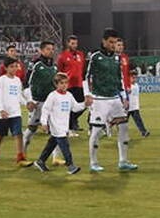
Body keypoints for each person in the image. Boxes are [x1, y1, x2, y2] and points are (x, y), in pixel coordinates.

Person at [85, 29, 137, 172]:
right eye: (111, 42)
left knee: (124, 128)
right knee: (96, 131)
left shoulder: (117, 58)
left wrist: (124, 98)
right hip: (99, 99)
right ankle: (93, 163)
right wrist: (87, 94)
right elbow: (86, 76)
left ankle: (123, 161)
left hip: (115, 98)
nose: (113, 45)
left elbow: (119, 78)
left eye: (115, 42)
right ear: (104, 41)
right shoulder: (94, 56)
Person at [34, 73, 84, 175]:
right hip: (56, 125)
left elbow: (75, 108)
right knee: (64, 145)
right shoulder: (53, 96)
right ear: (56, 84)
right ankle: (70, 166)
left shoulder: (69, 95)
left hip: (64, 125)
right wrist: (44, 122)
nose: (64, 85)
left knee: (51, 144)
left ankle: (40, 161)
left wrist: (85, 104)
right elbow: (46, 110)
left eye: (66, 83)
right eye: (61, 83)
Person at [0, 58, 31, 167]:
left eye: (16, 66)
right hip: (4, 114)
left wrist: (27, 103)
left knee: (18, 134)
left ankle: (20, 157)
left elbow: (19, 96)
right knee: (0, 136)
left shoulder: (17, 80)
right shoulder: (2, 80)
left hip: (16, 113)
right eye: (12, 66)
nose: (14, 69)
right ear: (6, 68)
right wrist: (1, 110)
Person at [23, 41, 57, 155]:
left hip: (51, 103)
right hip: (38, 102)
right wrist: (30, 100)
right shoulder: (35, 64)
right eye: (48, 49)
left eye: (52, 49)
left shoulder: (54, 66)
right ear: (41, 50)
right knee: (32, 128)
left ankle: (55, 157)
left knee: (56, 130)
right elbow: (27, 83)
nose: (51, 51)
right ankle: (21, 152)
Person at [56, 35, 86, 135]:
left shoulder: (80, 55)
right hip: (68, 85)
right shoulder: (63, 56)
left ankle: (72, 121)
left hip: (79, 84)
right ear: (68, 43)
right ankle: (69, 126)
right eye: (72, 43)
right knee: (68, 107)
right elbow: (59, 70)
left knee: (82, 105)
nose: (74, 45)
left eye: (76, 43)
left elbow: (83, 69)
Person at [127, 69, 150, 137]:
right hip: (127, 107)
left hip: (134, 106)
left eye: (135, 77)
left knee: (138, 120)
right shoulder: (126, 86)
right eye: (133, 77)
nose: (134, 79)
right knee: (121, 121)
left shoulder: (136, 85)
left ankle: (143, 132)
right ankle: (107, 125)